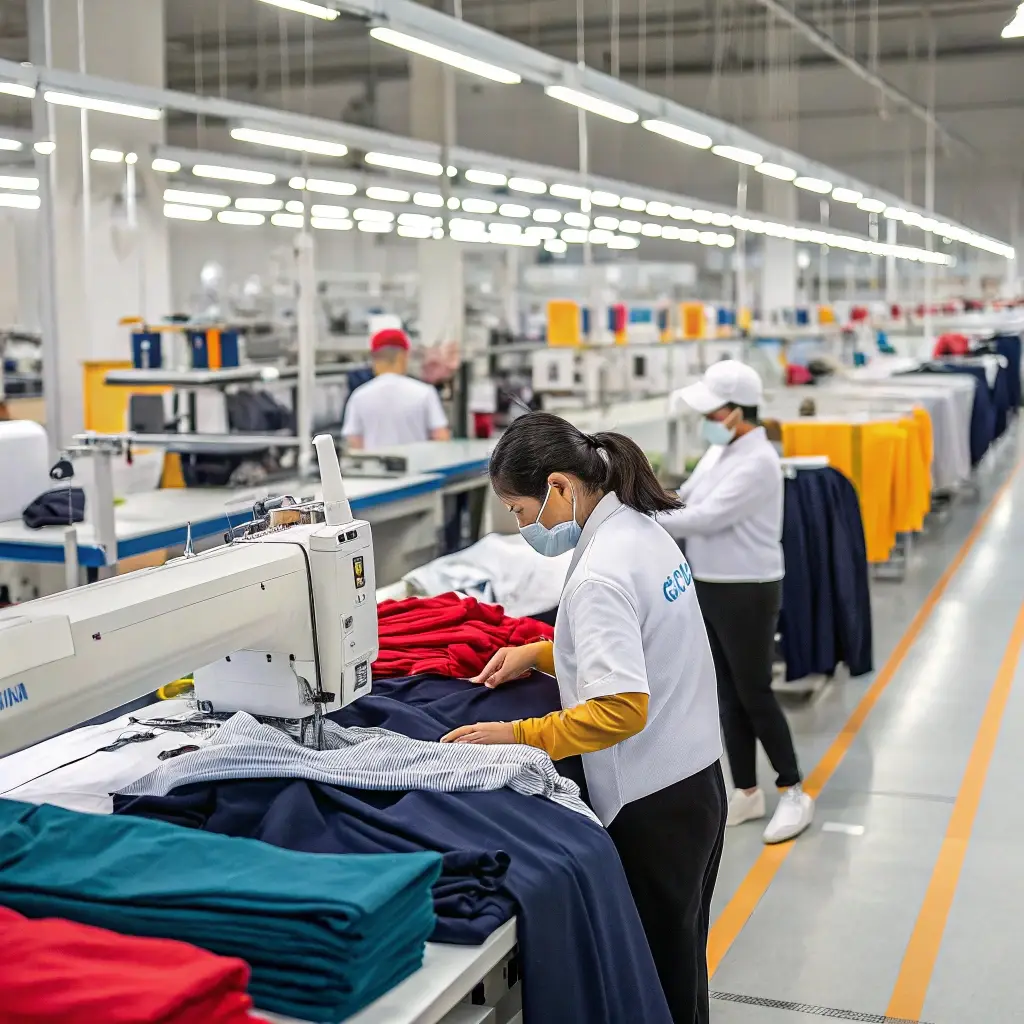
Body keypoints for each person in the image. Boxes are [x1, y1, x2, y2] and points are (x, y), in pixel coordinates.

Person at [440, 412, 726, 1024]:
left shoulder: (600, 572)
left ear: (560, 486)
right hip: (698, 779)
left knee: (658, 980)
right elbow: (641, 646)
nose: (523, 526)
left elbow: (620, 710)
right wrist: (542, 653)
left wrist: (517, 736)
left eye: (519, 511)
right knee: (682, 963)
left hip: (652, 803)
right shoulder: (640, 529)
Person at [661, 359, 814, 845]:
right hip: (710, 581)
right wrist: (648, 500)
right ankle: (746, 790)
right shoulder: (720, 451)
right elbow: (687, 497)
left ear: (735, 411)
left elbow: (706, 517)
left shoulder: (758, 461)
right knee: (727, 693)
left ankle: (793, 789)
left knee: (755, 692)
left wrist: (641, 519)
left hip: (748, 587)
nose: (706, 420)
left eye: (712, 411)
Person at [341, 327, 451, 450]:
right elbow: (441, 438)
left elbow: (354, 444)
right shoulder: (425, 393)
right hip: (417, 462)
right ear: (404, 356)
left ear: (374, 357)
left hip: (374, 463)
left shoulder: (358, 397)